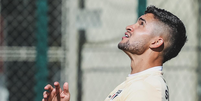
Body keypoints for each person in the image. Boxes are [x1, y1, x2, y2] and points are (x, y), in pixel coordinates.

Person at [42, 5, 187, 101]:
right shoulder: (137, 83)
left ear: (156, 42)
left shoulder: (146, 89)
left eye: (141, 24)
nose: (130, 27)